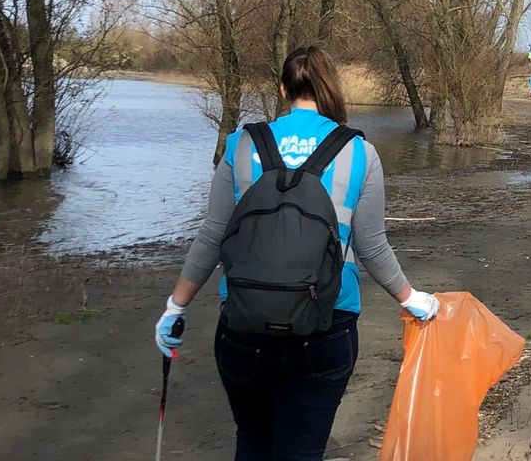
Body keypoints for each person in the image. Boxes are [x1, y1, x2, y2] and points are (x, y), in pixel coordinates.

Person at [154, 46, 440, 461]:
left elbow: (213, 236)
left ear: (283, 88)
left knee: (252, 439)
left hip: (243, 324)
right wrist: (412, 299)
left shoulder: (241, 144)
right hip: (328, 324)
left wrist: (174, 308)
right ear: (330, 89)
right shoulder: (359, 152)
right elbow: (371, 245)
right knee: (302, 451)